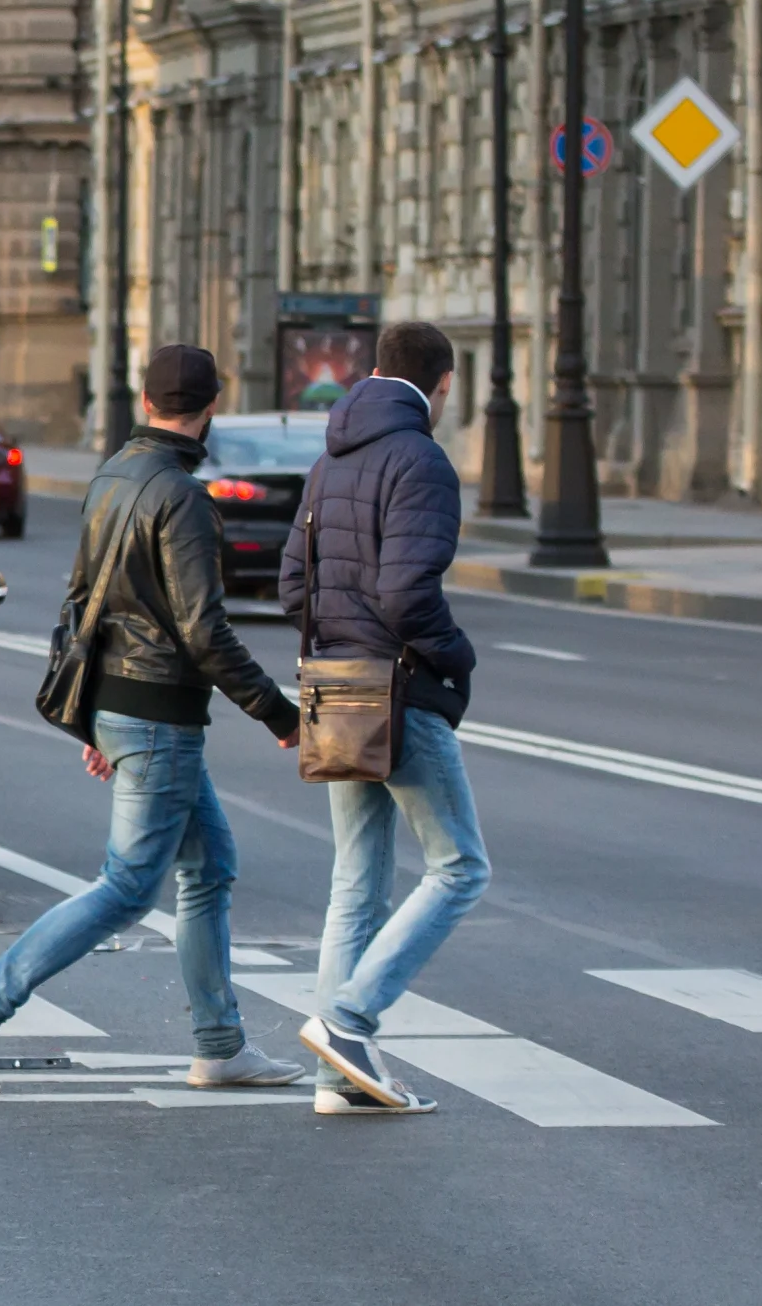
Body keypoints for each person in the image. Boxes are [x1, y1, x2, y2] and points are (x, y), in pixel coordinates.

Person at [0, 345, 305, 1095]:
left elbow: (82, 604)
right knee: (130, 885)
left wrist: (93, 720)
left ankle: (221, 1044)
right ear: (212, 408)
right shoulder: (185, 497)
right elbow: (204, 632)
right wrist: (278, 711)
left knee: (210, 866)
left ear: (143, 400)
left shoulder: (112, 474)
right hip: (156, 714)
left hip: (124, 706)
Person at [279, 320, 488, 1115]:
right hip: (399, 686)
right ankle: (350, 1019)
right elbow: (407, 592)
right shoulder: (421, 458)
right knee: (460, 867)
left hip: (334, 685)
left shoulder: (332, 454)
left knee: (357, 881)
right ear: (443, 385)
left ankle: (341, 1078)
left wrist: (333, 649)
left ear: (372, 372)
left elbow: (293, 584)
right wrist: (454, 653)